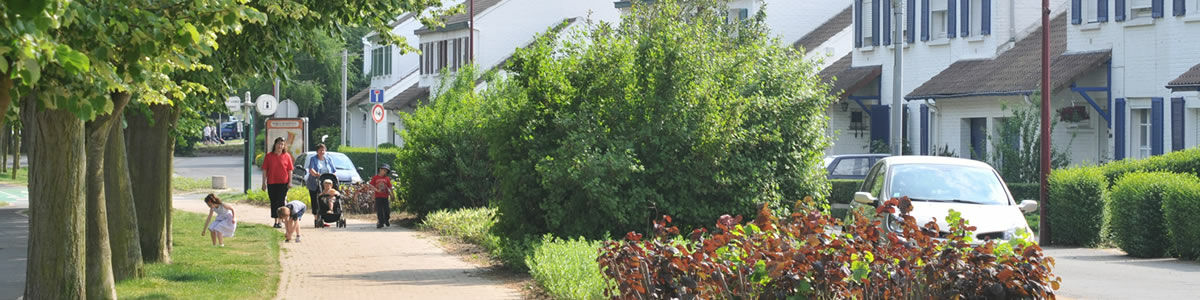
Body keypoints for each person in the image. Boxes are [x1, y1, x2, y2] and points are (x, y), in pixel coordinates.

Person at [262, 137, 294, 228]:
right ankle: (275, 220)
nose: (280, 146)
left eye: (282, 144)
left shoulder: (287, 156)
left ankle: (280, 221)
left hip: (283, 182)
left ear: (284, 146)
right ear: (275, 145)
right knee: (274, 201)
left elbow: (290, 170)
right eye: (278, 144)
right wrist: (263, 183)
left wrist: (290, 182)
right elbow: (264, 170)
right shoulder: (269, 156)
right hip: (272, 182)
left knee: (281, 201)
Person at [306, 143, 336, 224]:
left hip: (326, 182)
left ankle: (325, 216)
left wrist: (334, 177)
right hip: (315, 182)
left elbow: (333, 170)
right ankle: (316, 218)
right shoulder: (313, 159)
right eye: (320, 150)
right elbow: (311, 169)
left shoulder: (328, 159)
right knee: (315, 200)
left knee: (327, 198)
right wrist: (316, 174)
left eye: (323, 150)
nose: (322, 152)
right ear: (317, 151)